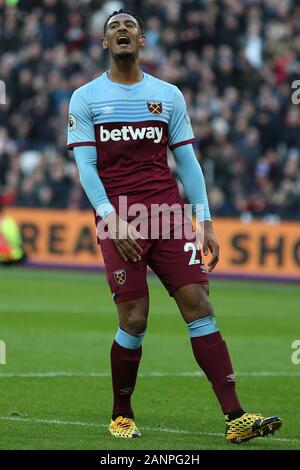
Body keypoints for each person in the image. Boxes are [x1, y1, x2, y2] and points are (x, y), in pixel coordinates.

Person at [67, 9, 282, 443]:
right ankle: (121, 413)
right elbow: (86, 168)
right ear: (103, 43)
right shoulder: (86, 98)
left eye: (129, 26)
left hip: (167, 215)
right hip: (120, 217)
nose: (122, 30)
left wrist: (204, 220)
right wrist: (111, 218)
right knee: (135, 318)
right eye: (113, 27)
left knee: (199, 304)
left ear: (142, 40)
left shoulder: (167, 95)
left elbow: (187, 162)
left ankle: (235, 417)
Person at [0, 197, 25, 266]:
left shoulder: (7, 222)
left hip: (7, 255)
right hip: (14, 254)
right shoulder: (8, 221)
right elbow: (16, 241)